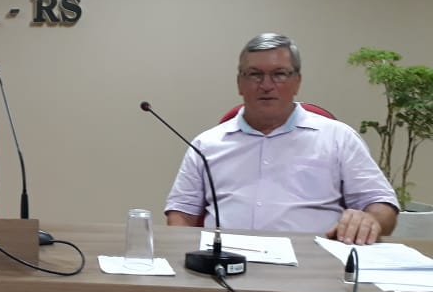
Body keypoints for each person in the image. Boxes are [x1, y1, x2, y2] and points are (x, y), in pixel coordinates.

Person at [165, 32, 398, 245]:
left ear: (297, 82)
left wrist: (370, 220)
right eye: (255, 75)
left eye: (279, 74)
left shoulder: (339, 138)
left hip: (316, 263)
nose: (267, 85)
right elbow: (181, 212)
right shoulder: (206, 144)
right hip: (225, 262)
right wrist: (187, 254)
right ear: (240, 83)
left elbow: (382, 204)